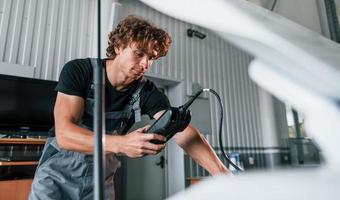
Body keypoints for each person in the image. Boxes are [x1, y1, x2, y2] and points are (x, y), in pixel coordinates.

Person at [29, 15, 229, 200]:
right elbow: (64, 135)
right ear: (118, 46)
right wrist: (122, 144)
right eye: (139, 53)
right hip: (55, 178)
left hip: (99, 182)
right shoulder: (80, 71)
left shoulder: (146, 91)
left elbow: (184, 133)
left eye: (151, 57)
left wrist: (223, 175)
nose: (145, 64)